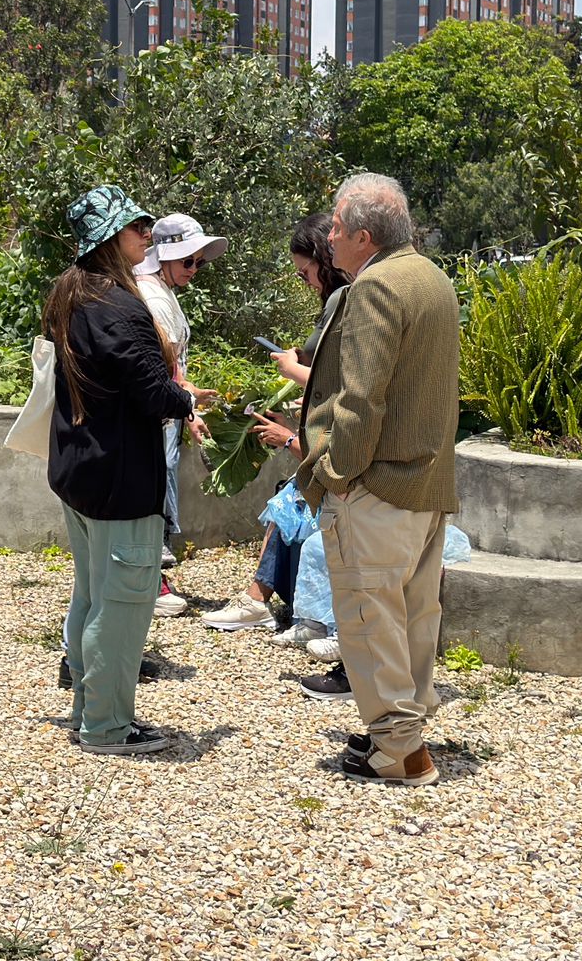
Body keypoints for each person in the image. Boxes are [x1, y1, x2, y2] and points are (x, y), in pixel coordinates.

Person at [294, 173, 460, 786]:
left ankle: (399, 751)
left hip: (377, 485)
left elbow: (362, 400)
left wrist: (336, 473)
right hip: (426, 484)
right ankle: (402, 731)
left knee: (368, 616)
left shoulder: (376, 286)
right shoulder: (432, 278)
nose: (328, 236)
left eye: (336, 227)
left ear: (364, 236)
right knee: (413, 615)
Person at [48, 185, 196, 756]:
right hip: (120, 480)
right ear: (112, 237)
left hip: (79, 472)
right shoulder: (120, 305)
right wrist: (187, 402)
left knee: (91, 594)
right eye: (138, 226)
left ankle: (90, 711)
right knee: (124, 606)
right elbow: (150, 393)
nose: (148, 234)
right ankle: (107, 727)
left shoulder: (69, 292)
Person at [201, 213, 351, 637]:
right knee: (287, 493)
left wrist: (292, 373)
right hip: (325, 434)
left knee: (290, 498)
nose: (304, 281)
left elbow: (345, 382)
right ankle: (264, 601)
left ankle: (261, 602)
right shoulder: (339, 301)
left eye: (305, 271)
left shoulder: (350, 300)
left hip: (339, 452)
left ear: (325, 257)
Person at [133, 213, 224, 616]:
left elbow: (171, 363)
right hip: (158, 410)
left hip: (167, 407)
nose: (194, 269)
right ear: (163, 256)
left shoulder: (160, 290)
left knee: (159, 482)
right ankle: (149, 581)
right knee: (151, 489)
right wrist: (186, 406)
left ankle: (150, 576)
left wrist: (187, 394)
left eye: (199, 262)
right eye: (188, 261)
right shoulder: (152, 295)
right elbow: (160, 362)